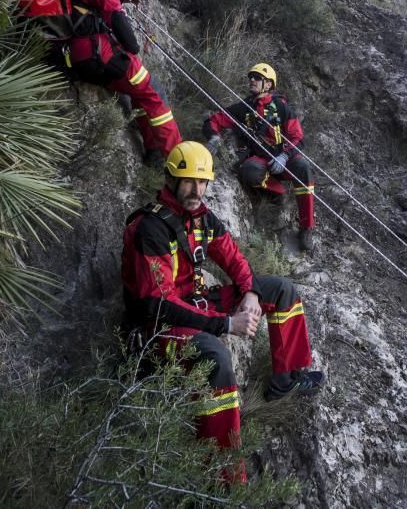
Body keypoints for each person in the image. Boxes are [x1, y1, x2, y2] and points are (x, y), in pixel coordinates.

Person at [121, 141, 324, 476]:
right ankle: (224, 477)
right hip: (156, 328)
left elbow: (234, 258)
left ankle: (285, 379)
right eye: (189, 181)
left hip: (193, 306)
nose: (196, 190)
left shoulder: (201, 219)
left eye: (202, 182)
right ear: (171, 179)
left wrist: (251, 292)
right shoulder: (151, 229)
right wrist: (226, 323)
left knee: (281, 289)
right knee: (217, 358)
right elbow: (160, 305)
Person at [67, 0, 181, 161]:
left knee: (139, 90)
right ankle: (178, 160)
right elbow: (115, 16)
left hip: (74, 53)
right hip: (94, 55)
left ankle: (153, 153)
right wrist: (132, 46)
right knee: (151, 89)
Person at [202, 63, 316, 252]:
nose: (252, 80)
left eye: (257, 78)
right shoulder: (245, 108)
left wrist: (285, 156)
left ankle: (306, 228)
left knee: (304, 168)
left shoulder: (282, 107)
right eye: (251, 77)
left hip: (283, 157)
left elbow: (298, 139)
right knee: (249, 171)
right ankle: (278, 192)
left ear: (268, 84)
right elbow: (215, 120)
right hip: (262, 161)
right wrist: (213, 136)